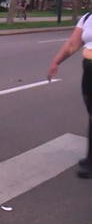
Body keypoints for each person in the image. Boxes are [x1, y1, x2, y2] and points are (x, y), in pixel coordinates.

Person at [48, 12, 92, 179]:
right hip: (89, 70)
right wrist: (56, 62)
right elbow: (73, 44)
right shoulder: (87, 18)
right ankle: (90, 157)